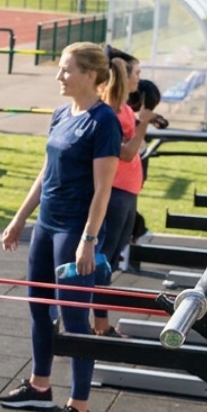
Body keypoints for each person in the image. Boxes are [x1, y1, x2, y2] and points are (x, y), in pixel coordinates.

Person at [0, 42, 124, 412]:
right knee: (38, 307)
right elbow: (45, 172)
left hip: (73, 230)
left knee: (74, 319)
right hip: (47, 225)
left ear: (90, 74)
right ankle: (39, 387)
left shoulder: (104, 122)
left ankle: (79, 406)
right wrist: (20, 218)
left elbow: (103, 190)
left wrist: (89, 239)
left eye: (66, 69)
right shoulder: (61, 114)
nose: (59, 76)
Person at [91, 47, 149, 337]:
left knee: (111, 261)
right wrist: (146, 121)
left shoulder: (125, 108)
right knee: (102, 260)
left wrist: (144, 122)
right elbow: (126, 154)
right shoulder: (112, 109)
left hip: (127, 192)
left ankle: (100, 323)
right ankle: (98, 324)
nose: (140, 79)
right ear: (123, 76)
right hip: (115, 193)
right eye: (136, 73)